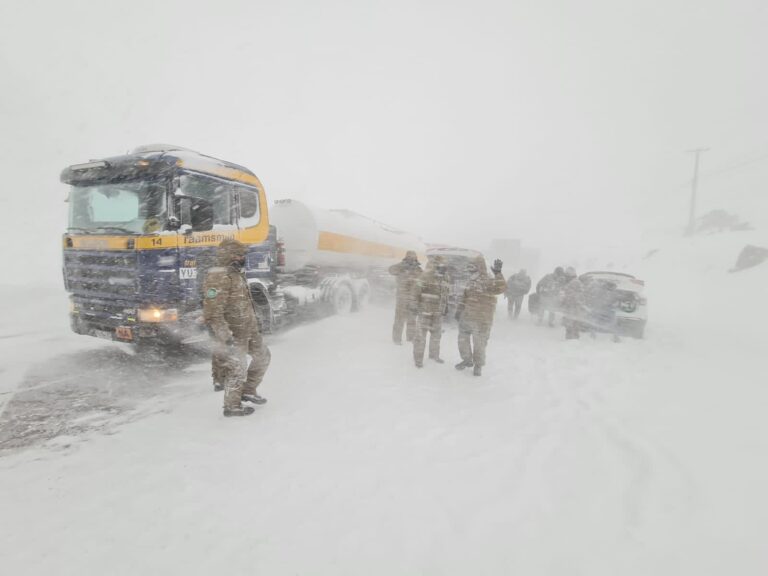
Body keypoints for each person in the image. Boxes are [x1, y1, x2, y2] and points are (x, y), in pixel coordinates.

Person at [203, 239, 271, 417]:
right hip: (233, 333)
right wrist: (225, 336)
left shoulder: (236, 273)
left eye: (242, 255)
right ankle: (232, 406)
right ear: (227, 255)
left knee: (263, 356)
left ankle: (248, 390)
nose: (242, 258)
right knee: (237, 367)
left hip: (249, 329)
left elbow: (243, 303)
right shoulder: (219, 276)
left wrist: (255, 326)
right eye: (238, 255)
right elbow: (213, 312)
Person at [454, 256, 507, 376]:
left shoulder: (488, 281)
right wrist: (459, 310)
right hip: (467, 317)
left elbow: (500, 288)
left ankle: (478, 366)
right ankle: (467, 359)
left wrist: (498, 274)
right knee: (462, 339)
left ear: (479, 267)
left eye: (472, 266)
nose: (469, 269)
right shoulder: (470, 281)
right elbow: (464, 298)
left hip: (482, 320)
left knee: (479, 344)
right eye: (469, 266)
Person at [412, 256, 450, 367]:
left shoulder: (446, 277)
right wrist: (414, 305)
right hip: (425, 311)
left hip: (438, 312)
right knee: (420, 336)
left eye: (444, 265)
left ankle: (434, 355)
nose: (443, 267)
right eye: (441, 265)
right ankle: (418, 359)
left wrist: (446, 306)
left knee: (436, 336)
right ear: (436, 265)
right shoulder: (425, 276)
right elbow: (416, 290)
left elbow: (446, 293)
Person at [389, 250, 422, 345]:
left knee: (412, 319)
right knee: (399, 319)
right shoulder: (401, 267)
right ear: (406, 257)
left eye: (413, 257)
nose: (411, 259)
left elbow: (422, 282)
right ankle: (397, 339)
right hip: (402, 298)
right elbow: (391, 270)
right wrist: (402, 266)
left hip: (413, 299)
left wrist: (420, 291)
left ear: (416, 258)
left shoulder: (418, 269)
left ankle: (410, 338)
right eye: (409, 257)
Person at [562, 272, 586, 340]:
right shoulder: (577, 283)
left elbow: (569, 296)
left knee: (571, 322)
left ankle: (570, 337)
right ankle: (574, 337)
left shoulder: (573, 283)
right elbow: (581, 297)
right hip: (574, 307)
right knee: (575, 322)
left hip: (572, 307)